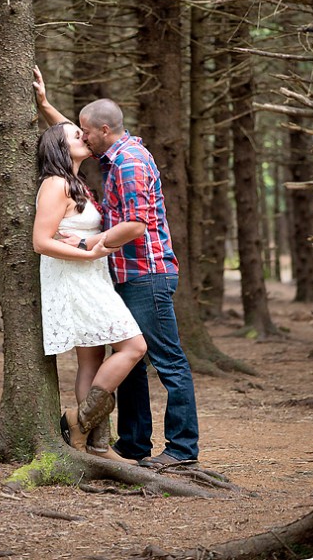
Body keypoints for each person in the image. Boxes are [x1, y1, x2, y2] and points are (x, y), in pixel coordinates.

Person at [32, 66, 200, 468]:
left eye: (86, 133)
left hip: (147, 272)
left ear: (103, 131)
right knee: (133, 365)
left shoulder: (130, 164)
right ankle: (133, 444)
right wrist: (44, 105)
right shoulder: (111, 153)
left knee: (165, 359)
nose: (81, 136)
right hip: (118, 273)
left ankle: (181, 450)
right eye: (79, 135)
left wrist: (91, 244)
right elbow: (71, 133)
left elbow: (136, 225)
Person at [33, 120, 147, 464]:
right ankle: (78, 424)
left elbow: (97, 127)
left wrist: (45, 103)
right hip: (74, 278)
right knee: (134, 346)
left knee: (92, 359)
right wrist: (87, 253)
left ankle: (96, 447)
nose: (83, 137)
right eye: (74, 135)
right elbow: (41, 241)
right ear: (59, 147)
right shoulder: (55, 185)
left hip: (93, 277)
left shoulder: (75, 182)